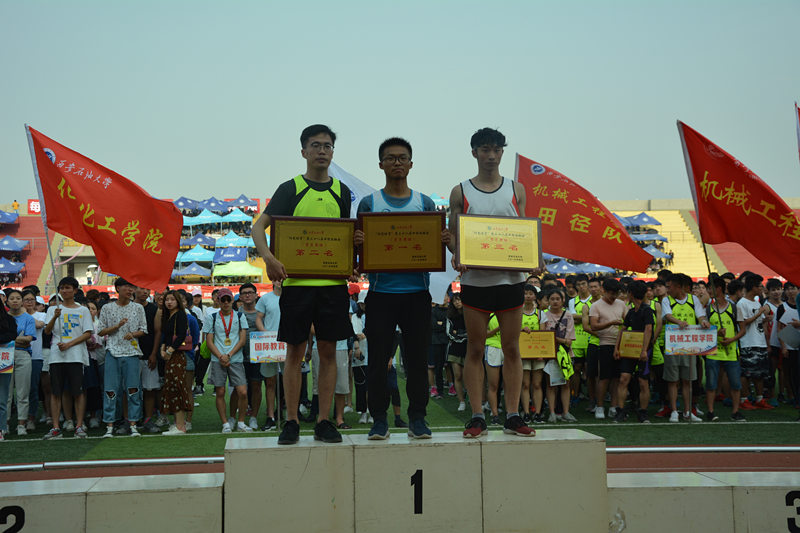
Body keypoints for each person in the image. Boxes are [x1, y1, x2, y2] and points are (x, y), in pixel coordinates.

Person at [252, 124, 355, 445]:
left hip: (333, 285)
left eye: (327, 146)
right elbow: (258, 228)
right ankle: (292, 421)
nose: (322, 150)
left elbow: (343, 236)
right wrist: (269, 259)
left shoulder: (342, 191)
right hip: (296, 284)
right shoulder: (290, 188)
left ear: (332, 152)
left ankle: (324, 421)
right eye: (315, 145)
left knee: (328, 352)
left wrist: (353, 256)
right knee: (295, 353)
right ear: (304, 151)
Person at [354, 137, 450, 440]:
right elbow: (358, 255)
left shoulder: (425, 204)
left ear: (411, 164)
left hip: (416, 294)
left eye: (402, 158)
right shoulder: (369, 204)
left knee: (417, 361)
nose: (397, 162)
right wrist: (357, 244)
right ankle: (379, 420)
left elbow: (437, 247)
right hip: (381, 294)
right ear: (381, 164)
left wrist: (443, 240)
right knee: (377, 362)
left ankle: (417, 418)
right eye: (390, 158)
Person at [446, 127, 534, 438]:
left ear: (502, 152)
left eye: (496, 149)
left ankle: (512, 415)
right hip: (476, 282)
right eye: (485, 149)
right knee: (475, 348)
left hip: (511, 280)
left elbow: (525, 232)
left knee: (511, 348)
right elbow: (453, 238)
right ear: (474, 152)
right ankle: (477, 416)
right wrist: (457, 253)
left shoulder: (516, 189)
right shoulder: (461, 191)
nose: (491, 155)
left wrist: (534, 256)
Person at [43, 277, 93, 439]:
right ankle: (56, 427)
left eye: (68, 288)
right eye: (62, 288)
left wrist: (69, 344)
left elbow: (88, 333)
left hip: (76, 356)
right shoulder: (53, 309)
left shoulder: (83, 310)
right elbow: (47, 331)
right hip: (56, 356)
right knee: (56, 392)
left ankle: (79, 426)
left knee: (78, 391)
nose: (64, 291)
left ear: (75, 290)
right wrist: (54, 317)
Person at [97, 278, 148, 438]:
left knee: (133, 389)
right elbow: (100, 331)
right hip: (112, 352)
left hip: (132, 352)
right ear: (118, 288)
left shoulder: (138, 308)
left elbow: (144, 330)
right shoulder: (107, 308)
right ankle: (109, 425)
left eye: (132, 286)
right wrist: (117, 326)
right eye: (127, 286)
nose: (130, 289)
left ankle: (133, 424)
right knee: (111, 389)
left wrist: (133, 334)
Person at [662, 273, 710, 422]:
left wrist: (704, 322)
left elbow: (700, 315)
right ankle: (674, 411)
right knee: (672, 380)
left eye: (670, 287)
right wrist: (679, 322)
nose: (667, 289)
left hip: (690, 345)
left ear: (679, 287)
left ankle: (688, 411)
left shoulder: (693, 299)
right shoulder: (666, 300)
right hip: (673, 344)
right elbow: (667, 316)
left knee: (687, 380)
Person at [202, 287, 251, 433]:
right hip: (217, 359)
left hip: (235, 358)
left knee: (242, 391)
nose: (225, 302)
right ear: (218, 300)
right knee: (220, 392)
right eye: (222, 299)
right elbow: (209, 341)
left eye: (228, 299)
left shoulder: (240, 316)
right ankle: (225, 424)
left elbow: (242, 340)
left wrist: (228, 355)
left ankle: (240, 422)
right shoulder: (212, 317)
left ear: (232, 301)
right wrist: (220, 356)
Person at [705, 274, 746, 422]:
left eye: (710, 288)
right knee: (711, 384)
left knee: (735, 384)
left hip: (731, 352)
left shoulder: (734, 308)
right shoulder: (708, 309)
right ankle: (710, 411)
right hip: (713, 352)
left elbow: (742, 330)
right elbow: (705, 331)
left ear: (719, 289)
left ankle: (735, 411)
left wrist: (731, 340)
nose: (708, 291)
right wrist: (716, 333)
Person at [613, 281, 654, 423]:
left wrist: (644, 350)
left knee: (643, 381)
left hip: (644, 351)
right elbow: (623, 329)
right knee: (624, 378)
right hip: (630, 350)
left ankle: (643, 412)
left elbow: (649, 329)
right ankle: (620, 411)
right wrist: (616, 348)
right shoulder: (631, 311)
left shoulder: (647, 310)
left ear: (631, 294)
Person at [589, 278, 627, 419]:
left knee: (617, 378)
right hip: (605, 344)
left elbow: (627, 321)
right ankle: (599, 406)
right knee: (604, 377)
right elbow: (593, 326)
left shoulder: (621, 304)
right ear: (603, 291)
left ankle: (613, 406)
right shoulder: (596, 306)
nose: (614, 296)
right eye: (611, 293)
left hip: (621, 344)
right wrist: (610, 323)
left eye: (616, 293)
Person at [737, 274, 773, 410]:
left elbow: (756, 321)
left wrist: (764, 319)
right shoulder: (742, 303)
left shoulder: (756, 302)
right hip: (748, 342)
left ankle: (759, 398)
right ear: (753, 287)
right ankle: (744, 399)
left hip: (759, 341)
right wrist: (759, 313)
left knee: (760, 373)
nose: (762, 289)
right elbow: (743, 322)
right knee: (746, 373)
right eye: (760, 286)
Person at [159, 290, 192, 435]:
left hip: (177, 355)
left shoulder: (180, 314)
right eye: (167, 299)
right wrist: (163, 349)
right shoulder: (168, 315)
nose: (169, 302)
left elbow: (181, 335)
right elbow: (165, 335)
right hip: (169, 355)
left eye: (172, 299)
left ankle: (180, 426)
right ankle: (178, 424)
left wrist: (169, 351)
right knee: (171, 388)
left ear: (178, 301)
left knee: (177, 388)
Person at [541, 287, 576, 422]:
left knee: (566, 384)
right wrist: (559, 340)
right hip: (549, 355)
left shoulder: (568, 315)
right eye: (552, 299)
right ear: (548, 301)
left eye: (558, 299)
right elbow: (543, 337)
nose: (555, 301)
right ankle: (552, 412)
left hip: (566, 354)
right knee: (551, 384)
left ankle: (566, 412)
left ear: (562, 301)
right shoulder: (544, 315)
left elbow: (569, 340)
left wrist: (554, 339)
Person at [5, 290, 37, 436]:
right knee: (5, 393)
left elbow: (29, 339)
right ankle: (4, 424)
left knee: (23, 392)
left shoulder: (28, 318)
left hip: (23, 355)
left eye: (18, 298)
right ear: (7, 301)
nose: (15, 301)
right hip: (5, 356)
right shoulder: (3, 317)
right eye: (12, 298)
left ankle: (21, 424)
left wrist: (9, 338)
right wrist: (18, 338)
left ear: (22, 301)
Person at [255, 281, 283, 430]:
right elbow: (259, 318)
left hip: (288, 343)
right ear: (273, 280)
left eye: (282, 278)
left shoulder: (292, 297)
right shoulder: (265, 298)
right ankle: (270, 416)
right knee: (270, 382)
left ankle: (290, 416)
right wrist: (265, 333)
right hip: (270, 344)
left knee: (290, 381)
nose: (280, 281)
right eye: (277, 279)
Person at [22, 290, 46, 432]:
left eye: (32, 300)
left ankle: (31, 418)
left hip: (35, 356)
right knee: (21, 390)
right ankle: (21, 418)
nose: (30, 302)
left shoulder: (41, 315)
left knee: (33, 389)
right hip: (18, 354)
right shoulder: (15, 316)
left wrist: (24, 315)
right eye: (26, 300)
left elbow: (40, 324)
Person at [0, 301, 19, 442]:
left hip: (4, 362)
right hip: (5, 360)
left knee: (2, 398)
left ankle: (1, 428)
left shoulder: (9, 320)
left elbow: (12, 335)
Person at [446, 293, 468, 411]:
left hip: (467, 348)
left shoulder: (469, 314)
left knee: (467, 376)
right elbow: (449, 333)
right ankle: (461, 401)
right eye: (455, 301)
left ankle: (472, 398)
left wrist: (460, 334)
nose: (457, 303)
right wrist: (461, 335)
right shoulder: (450, 316)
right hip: (454, 348)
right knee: (457, 375)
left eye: (459, 300)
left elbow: (470, 331)